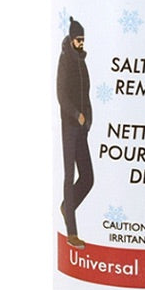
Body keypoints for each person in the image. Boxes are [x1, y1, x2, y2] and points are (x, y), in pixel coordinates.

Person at [56, 16, 94, 249]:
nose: (81, 43)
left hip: (82, 127)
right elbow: (61, 94)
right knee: (69, 176)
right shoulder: (65, 61)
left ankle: (66, 207)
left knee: (88, 177)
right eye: (78, 39)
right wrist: (76, 114)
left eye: (83, 39)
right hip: (69, 126)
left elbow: (86, 93)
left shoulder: (81, 61)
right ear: (71, 39)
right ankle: (71, 233)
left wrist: (88, 118)